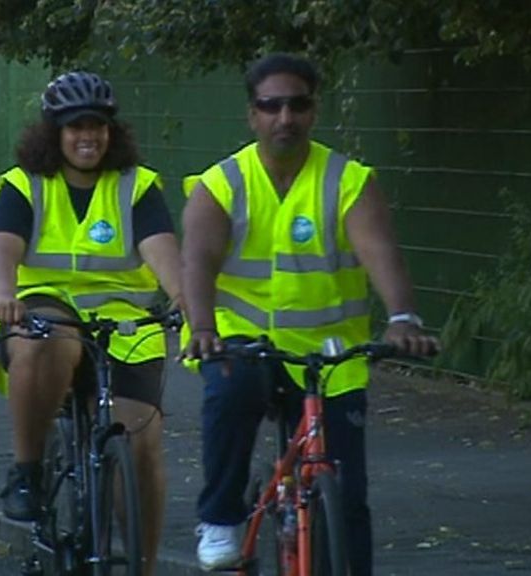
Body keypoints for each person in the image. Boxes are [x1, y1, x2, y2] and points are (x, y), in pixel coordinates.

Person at [179, 53, 440, 574]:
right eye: (270, 106)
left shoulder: (347, 180)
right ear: (252, 115)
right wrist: (204, 327)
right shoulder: (221, 184)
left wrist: (403, 317)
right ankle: (221, 517)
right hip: (243, 341)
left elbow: (381, 253)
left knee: (346, 494)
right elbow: (197, 260)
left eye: (297, 105)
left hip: (330, 354)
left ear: (313, 112)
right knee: (230, 392)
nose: (285, 118)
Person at [0, 71, 182, 576]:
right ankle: (28, 471)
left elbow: (163, 254)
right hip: (43, 310)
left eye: (97, 125)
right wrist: (4, 295)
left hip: (125, 327)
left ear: (111, 131)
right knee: (50, 343)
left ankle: (143, 566)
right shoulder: (22, 184)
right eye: (75, 126)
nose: (87, 135)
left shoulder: (137, 186)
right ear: (54, 132)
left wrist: (189, 304)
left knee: (140, 446)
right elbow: (3, 246)